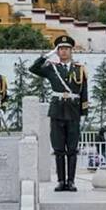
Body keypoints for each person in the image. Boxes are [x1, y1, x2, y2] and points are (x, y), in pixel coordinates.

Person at [30, 35, 89, 192]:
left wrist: (84, 113)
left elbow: (84, 92)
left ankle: (71, 181)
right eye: (60, 49)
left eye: (66, 49)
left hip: (73, 111)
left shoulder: (80, 69)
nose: (63, 52)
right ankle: (61, 181)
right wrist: (48, 55)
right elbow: (33, 69)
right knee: (58, 149)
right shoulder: (51, 68)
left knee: (72, 149)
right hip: (57, 111)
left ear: (71, 51)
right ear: (57, 51)